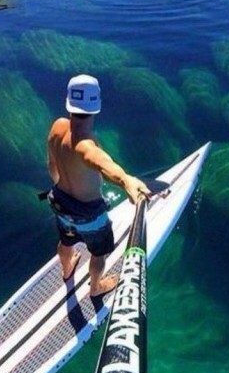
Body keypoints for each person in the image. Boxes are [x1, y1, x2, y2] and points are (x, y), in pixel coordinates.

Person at [46, 74, 151, 297]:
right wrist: (126, 180)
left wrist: (62, 189)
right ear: (97, 105)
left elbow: (51, 165)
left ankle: (67, 271)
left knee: (66, 241)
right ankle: (96, 288)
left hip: (59, 202)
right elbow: (103, 163)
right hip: (89, 216)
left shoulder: (57, 127)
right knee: (98, 253)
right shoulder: (86, 144)